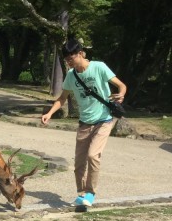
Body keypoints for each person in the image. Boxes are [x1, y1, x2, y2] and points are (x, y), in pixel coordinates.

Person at [41, 38, 126, 208]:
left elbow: (121, 85)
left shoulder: (99, 67)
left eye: (70, 59)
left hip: (103, 119)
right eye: (66, 60)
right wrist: (49, 113)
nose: (69, 62)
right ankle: (81, 196)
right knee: (79, 163)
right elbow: (62, 97)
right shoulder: (71, 76)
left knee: (93, 155)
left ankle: (90, 193)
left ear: (80, 54)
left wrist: (121, 94)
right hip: (84, 123)